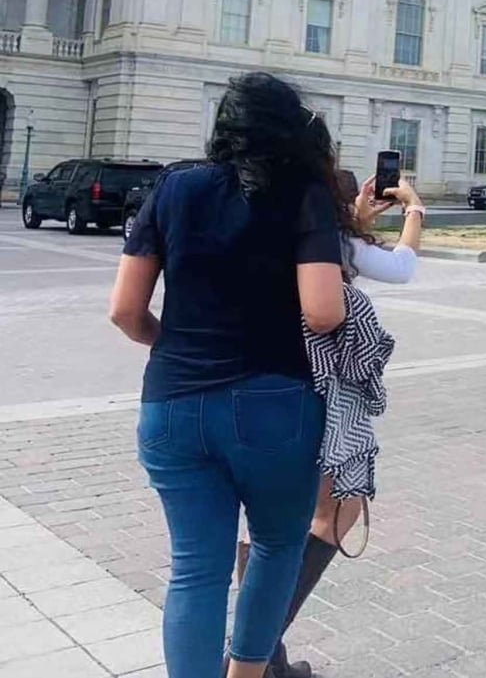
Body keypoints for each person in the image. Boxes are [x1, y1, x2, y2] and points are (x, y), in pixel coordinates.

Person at [108, 72, 347, 678]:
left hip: (171, 405)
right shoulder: (302, 192)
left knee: (195, 566)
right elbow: (323, 311)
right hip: (273, 403)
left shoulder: (174, 187)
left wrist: (176, 345)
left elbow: (124, 312)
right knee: (275, 546)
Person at [261, 169, 425, 678]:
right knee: (333, 516)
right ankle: (249, 653)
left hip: (252, 388)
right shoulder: (330, 243)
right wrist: (415, 210)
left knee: (266, 530)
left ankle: (267, 658)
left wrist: (351, 220)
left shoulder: (263, 224)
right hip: (319, 398)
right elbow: (401, 267)